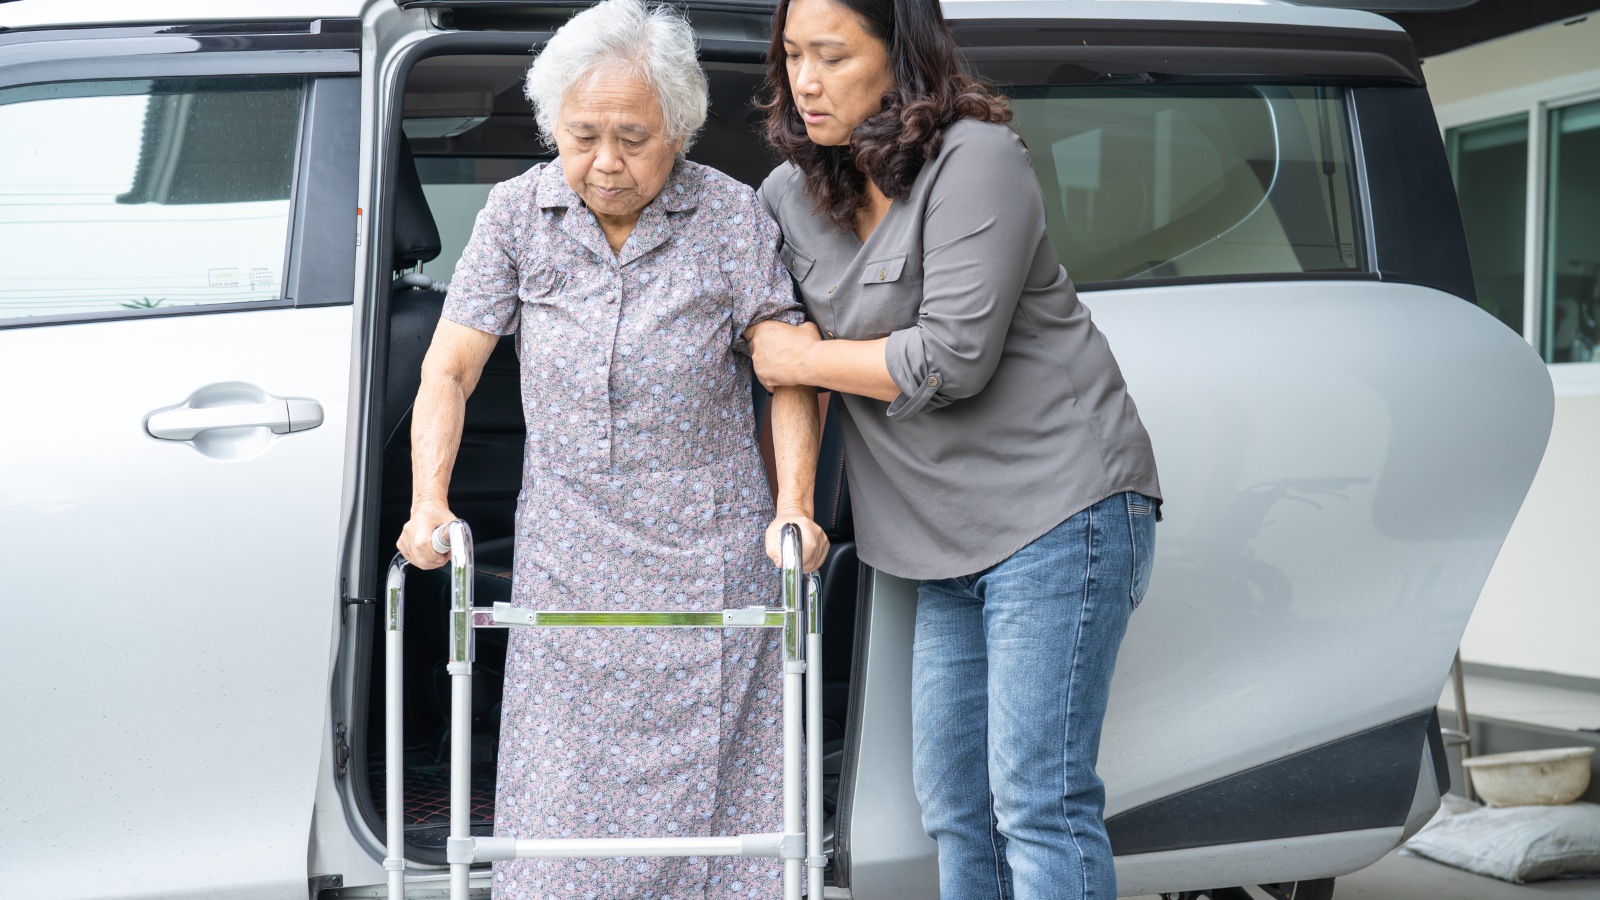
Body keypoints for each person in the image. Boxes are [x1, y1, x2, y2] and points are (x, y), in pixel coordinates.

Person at [395, 1, 827, 897]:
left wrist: (794, 508)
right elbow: (450, 369)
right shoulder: (517, 214)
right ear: (553, 123)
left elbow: (790, 369)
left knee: (717, 842)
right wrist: (428, 501)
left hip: (706, 558)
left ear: (680, 129)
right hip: (568, 557)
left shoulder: (730, 217)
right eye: (582, 134)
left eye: (633, 137)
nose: (604, 161)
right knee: (563, 833)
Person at [743, 0, 1162, 895]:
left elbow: (955, 358)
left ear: (898, 56)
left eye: (830, 55)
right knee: (954, 806)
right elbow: (772, 355)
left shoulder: (976, 159)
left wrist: (806, 355)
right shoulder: (783, 197)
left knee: (1038, 803)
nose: (804, 81)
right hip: (938, 546)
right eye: (790, 56)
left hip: (1059, 509)